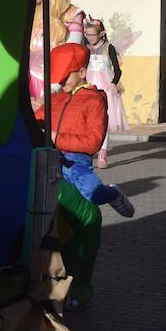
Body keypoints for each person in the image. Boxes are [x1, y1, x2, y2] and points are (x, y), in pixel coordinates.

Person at [38, 43, 134, 217]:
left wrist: (56, 138)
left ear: (82, 73)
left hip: (75, 161)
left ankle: (113, 194)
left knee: (94, 192)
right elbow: (37, 119)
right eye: (58, 77)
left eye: (66, 76)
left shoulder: (94, 101)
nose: (61, 81)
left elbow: (94, 142)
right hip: (49, 157)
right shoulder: (56, 98)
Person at [28, 0, 85, 112]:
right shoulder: (30, 14)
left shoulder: (73, 15)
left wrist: (48, 94)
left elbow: (70, 58)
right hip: (26, 89)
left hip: (57, 92)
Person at [82, 17, 126, 168]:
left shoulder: (109, 48)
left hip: (104, 88)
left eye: (92, 34)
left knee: (103, 122)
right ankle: (87, 152)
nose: (89, 37)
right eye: (86, 34)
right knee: (86, 122)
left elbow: (117, 70)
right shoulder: (85, 48)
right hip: (88, 86)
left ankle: (102, 154)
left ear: (101, 34)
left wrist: (113, 83)